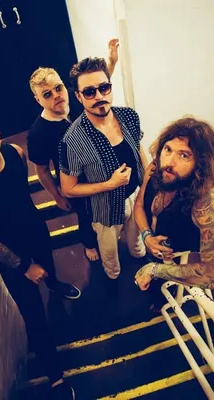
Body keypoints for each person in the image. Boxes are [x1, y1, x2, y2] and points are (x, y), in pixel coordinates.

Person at [0, 107, 79, 399]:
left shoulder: (14, 153)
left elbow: (20, 194)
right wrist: (23, 267)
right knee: (34, 316)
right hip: (11, 255)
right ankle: (56, 379)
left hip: (37, 231)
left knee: (50, 269)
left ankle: (55, 284)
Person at [27, 39, 120, 262]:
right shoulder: (38, 133)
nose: (56, 96)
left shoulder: (79, 100)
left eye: (58, 88)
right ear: (38, 100)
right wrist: (56, 195)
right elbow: (41, 171)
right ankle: (89, 243)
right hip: (74, 181)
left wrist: (112, 62)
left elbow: (97, 87)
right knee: (85, 216)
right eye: (47, 94)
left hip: (99, 169)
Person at [59, 57, 148, 279]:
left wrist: (148, 182)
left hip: (136, 195)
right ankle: (113, 275)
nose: (99, 96)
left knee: (137, 240)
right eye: (89, 92)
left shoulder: (129, 116)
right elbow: (68, 189)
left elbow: (139, 148)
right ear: (78, 97)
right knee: (109, 252)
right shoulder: (72, 141)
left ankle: (139, 256)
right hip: (105, 208)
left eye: (104, 88)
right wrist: (110, 184)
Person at [133, 117, 214, 295]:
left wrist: (155, 270)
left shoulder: (204, 200)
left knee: (165, 294)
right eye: (168, 149)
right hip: (152, 248)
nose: (169, 162)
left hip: (178, 262)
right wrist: (147, 237)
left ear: (201, 163)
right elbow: (138, 205)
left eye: (184, 155)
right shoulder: (156, 169)